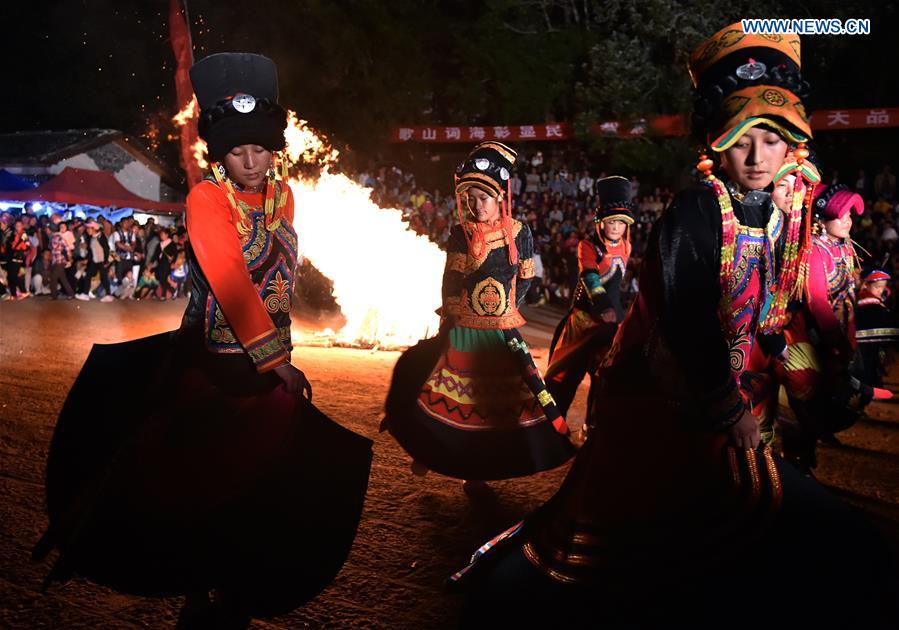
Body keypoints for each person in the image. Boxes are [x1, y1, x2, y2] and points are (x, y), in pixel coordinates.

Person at [449, 24, 895, 628]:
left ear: (793, 141)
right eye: (743, 140)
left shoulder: (788, 215)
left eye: (772, 139)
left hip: (740, 406)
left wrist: (811, 369)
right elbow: (686, 321)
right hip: (675, 409)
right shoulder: (696, 210)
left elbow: (780, 311)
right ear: (718, 139)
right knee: (648, 555)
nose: (759, 157)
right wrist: (726, 407)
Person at [34, 52, 373, 628]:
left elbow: (280, 280)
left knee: (268, 479)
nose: (250, 160)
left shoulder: (284, 196)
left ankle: (241, 580)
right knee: (199, 477)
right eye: (237, 150)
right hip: (217, 363)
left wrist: (280, 357)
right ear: (218, 152)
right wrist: (273, 362)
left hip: (274, 360)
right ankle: (193, 583)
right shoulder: (205, 200)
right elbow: (231, 281)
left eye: (261, 149)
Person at [381, 141, 574, 491]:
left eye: (482, 198)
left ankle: (478, 471)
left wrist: (504, 308)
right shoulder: (461, 233)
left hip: (502, 331)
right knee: (440, 395)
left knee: (494, 405)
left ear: (500, 196)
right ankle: (429, 451)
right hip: (464, 328)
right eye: (468, 198)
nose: (475, 205)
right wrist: (454, 314)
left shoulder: (520, 233)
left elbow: (526, 277)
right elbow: (451, 278)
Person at [544, 176, 634, 419]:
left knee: (607, 379)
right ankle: (552, 428)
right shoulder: (588, 246)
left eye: (621, 223)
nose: (616, 227)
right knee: (563, 377)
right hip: (584, 322)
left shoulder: (627, 247)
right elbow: (590, 276)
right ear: (600, 222)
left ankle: (594, 428)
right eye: (611, 221)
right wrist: (603, 305)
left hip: (613, 324)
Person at [855, 269, 899, 388]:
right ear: (866, 285)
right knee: (868, 362)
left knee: (873, 362)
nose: (880, 290)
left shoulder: (875, 300)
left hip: (871, 342)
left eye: (882, 287)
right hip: (865, 342)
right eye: (877, 287)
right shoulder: (867, 302)